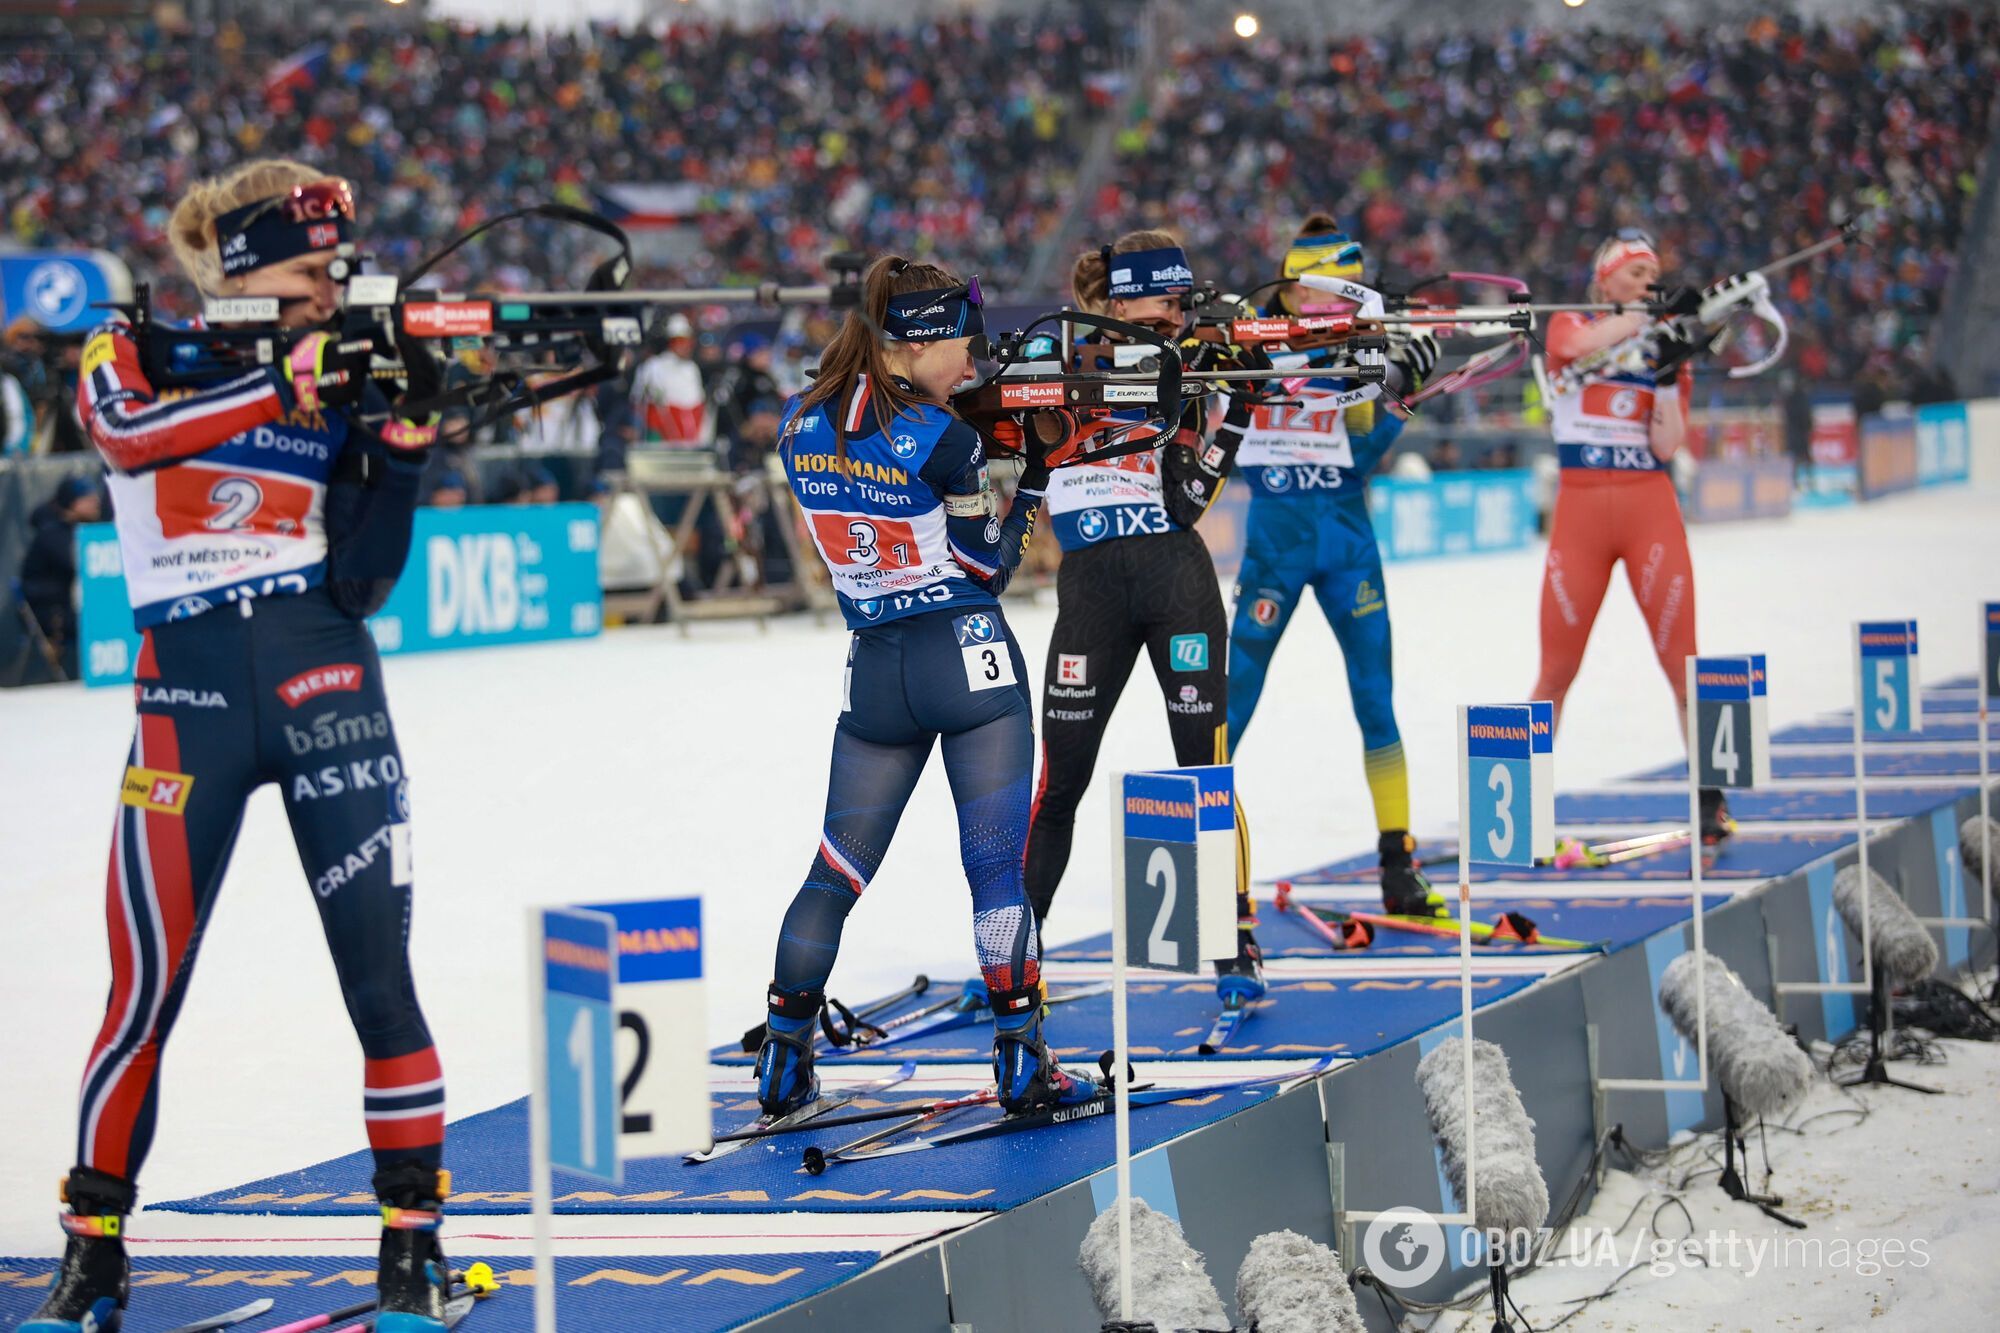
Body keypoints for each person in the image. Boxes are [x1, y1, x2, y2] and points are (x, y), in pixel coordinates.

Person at [25, 161, 453, 1333]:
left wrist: (403, 449)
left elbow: (361, 578)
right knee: (140, 994)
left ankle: (411, 1249)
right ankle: (93, 1259)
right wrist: (284, 382)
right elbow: (121, 439)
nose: (334, 290)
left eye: (340, 273)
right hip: (184, 704)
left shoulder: (341, 359)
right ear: (245, 267)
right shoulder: (132, 346)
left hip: (327, 685)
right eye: (315, 272)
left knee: (382, 984)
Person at [756, 256, 1092, 1117]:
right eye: (966, 341)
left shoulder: (801, 420)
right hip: (965, 652)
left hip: (874, 666)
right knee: (994, 869)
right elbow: (985, 564)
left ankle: (784, 1060)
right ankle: (1023, 1058)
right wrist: (1038, 476)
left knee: (834, 869)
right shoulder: (946, 437)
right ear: (922, 339)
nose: (976, 357)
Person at [1022, 229, 1264, 1002]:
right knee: (1060, 779)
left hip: (1173, 578)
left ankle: (1235, 945)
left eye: (1184, 304)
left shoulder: (1185, 365)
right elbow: (1023, 427)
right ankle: (1017, 957)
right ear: (1123, 299)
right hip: (1091, 588)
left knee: (1206, 771)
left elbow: (1188, 501)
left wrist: (1237, 404)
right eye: (1168, 301)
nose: (1178, 315)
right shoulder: (1062, 349)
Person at [1223, 219, 1443, 916]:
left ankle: (1398, 862)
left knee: (1377, 702)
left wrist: (1400, 395)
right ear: (1298, 287)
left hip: (1347, 538)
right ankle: (1211, 870)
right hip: (1277, 543)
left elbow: (1360, 454)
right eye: (1338, 294)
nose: (1350, 309)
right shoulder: (1247, 337)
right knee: (1229, 708)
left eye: (1356, 297)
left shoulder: (1355, 342)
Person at [1530, 228, 1733, 842]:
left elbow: (1668, 445)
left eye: (1654, 273)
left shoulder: (1661, 338)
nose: (1649, 279)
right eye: (1637, 271)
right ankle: (1525, 808)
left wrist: (1670, 372)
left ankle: (1710, 803)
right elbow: (1581, 344)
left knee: (1683, 665)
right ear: (1606, 279)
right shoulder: (1570, 322)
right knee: (1556, 671)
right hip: (1581, 514)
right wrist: (1653, 315)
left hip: (1649, 508)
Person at [19, 475, 100, 677]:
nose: (95, 503)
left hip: (72, 607)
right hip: (54, 615)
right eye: (88, 499)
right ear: (72, 504)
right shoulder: (52, 534)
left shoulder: (81, 528)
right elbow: (80, 562)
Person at [633, 313, 709, 448]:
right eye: (680, 341)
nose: (686, 346)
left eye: (688, 341)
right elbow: (638, 402)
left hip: (689, 438)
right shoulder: (653, 366)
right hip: (660, 437)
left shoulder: (691, 369)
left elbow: (697, 404)